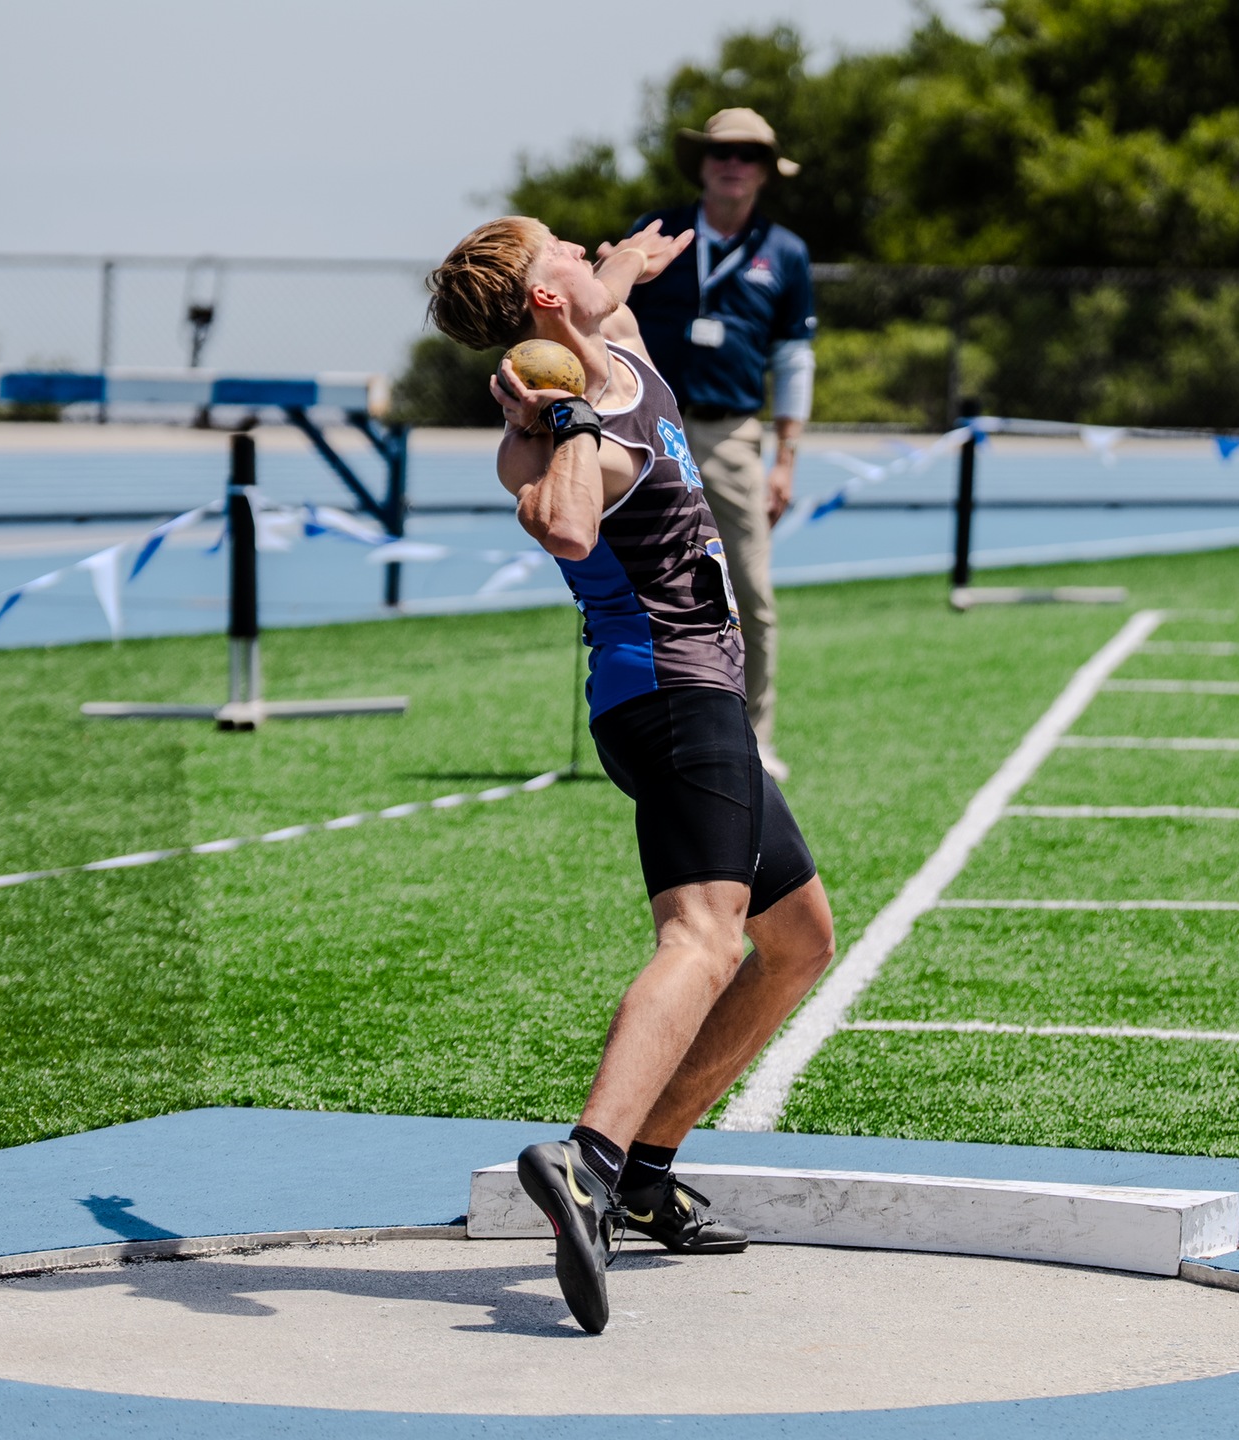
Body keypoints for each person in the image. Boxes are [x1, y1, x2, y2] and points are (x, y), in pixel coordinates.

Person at [423, 215, 838, 1335]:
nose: (584, 248)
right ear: (543, 298)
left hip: (694, 703)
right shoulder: (548, 440)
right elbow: (564, 528)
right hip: (668, 700)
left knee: (800, 940)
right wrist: (559, 416)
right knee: (703, 940)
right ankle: (591, 1161)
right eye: (562, 246)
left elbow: (599, 305)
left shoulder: (621, 348)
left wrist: (625, 269)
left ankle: (646, 1172)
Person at [624, 108, 817, 781]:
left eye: (748, 155)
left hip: (733, 433)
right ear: (702, 163)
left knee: (749, 591)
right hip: (648, 428)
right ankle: (642, 735)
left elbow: (793, 358)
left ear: (764, 171)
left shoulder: (785, 251)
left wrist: (785, 459)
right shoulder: (656, 233)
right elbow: (609, 320)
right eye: (721, 152)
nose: (733, 164)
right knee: (636, 587)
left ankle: (753, 738)